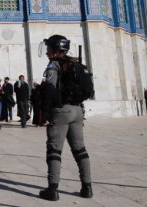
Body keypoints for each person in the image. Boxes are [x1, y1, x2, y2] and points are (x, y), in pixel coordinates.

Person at [39, 35, 92, 201]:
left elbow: (50, 89)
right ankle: (87, 187)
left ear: (55, 50)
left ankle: (52, 189)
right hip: (77, 111)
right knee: (80, 149)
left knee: (54, 150)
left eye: (49, 49)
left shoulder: (54, 65)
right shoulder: (75, 63)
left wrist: (45, 113)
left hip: (61, 111)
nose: (47, 52)